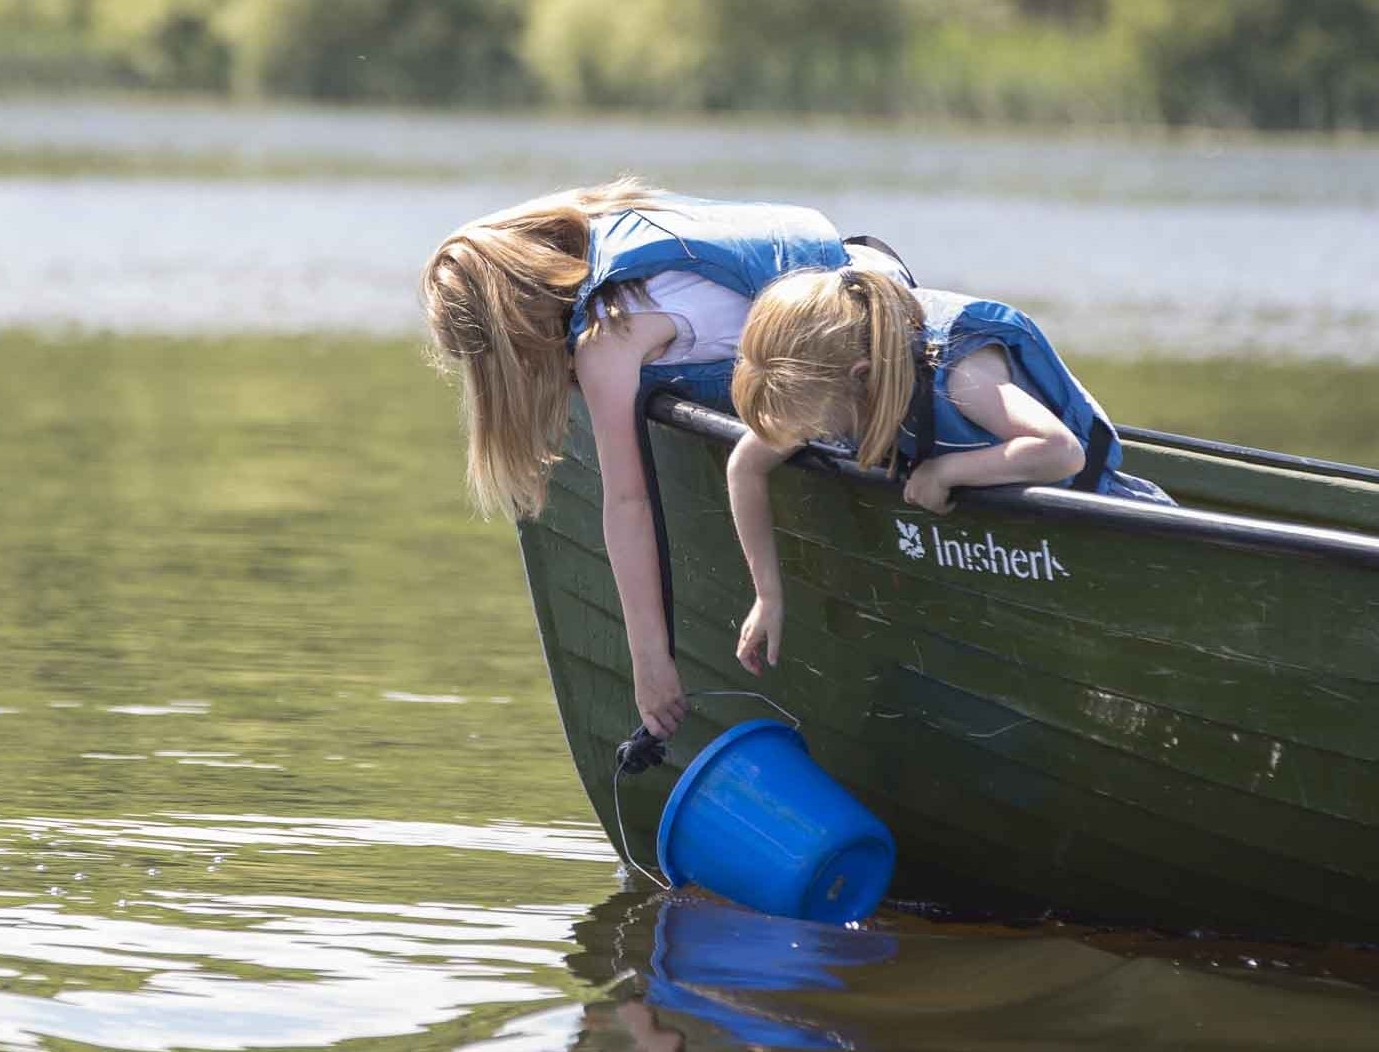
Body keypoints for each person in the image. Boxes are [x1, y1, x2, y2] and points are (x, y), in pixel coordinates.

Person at [420, 180, 905, 738]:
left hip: (870, 344)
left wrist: (650, 662)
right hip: (878, 281)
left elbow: (629, 502)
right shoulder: (614, 235)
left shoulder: (608, 339)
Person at [723, 266, 1168, 675]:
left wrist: (948, 471)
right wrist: (768, 596)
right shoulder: (822, 383)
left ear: (861, 377)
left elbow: (1061, 452)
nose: (815, 434)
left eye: (821, 425)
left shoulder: (962, 378)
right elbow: (745, 466)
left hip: (1101, 524)